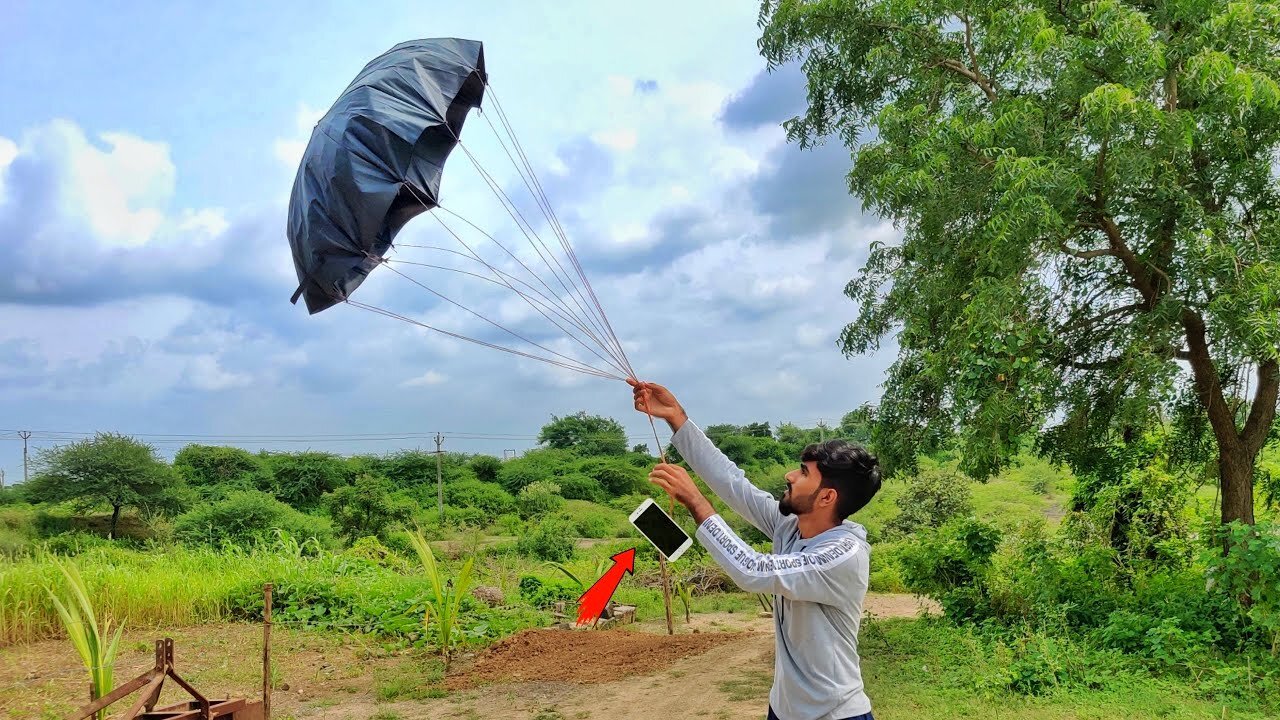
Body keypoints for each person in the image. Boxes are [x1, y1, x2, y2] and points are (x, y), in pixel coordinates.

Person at [629, 379, 881, 720]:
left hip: (834, 715)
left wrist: (696, 501)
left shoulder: (843, 555)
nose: (790, 475)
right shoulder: (793, 525)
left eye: (804, 473)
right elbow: (733, 484)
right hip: (784, 709)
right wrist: (677, 417)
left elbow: (754, 570)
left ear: (826, 497)